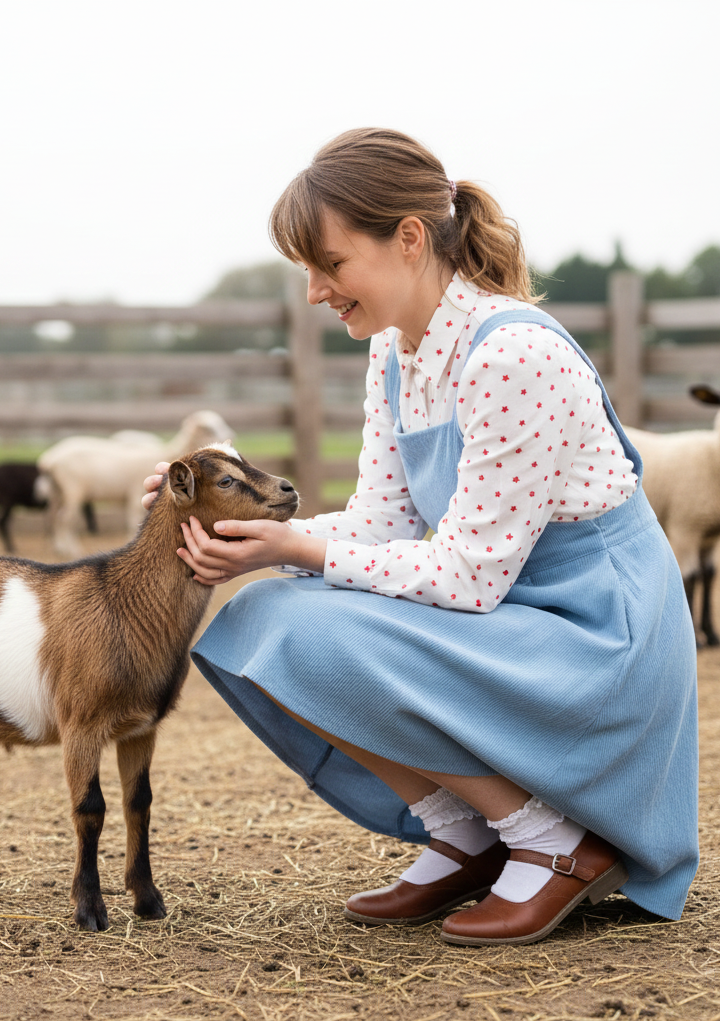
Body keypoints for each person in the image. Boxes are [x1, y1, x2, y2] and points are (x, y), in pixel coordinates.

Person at [143, 128, 698, 946]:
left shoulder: (513, 354)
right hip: (512, 615)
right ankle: (470, 832)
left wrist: (294, 549)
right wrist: (244, 531)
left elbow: (468, 576)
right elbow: (379, 527)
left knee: (313, 629)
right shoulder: (397, 354)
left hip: (594, 639)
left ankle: (556, 842)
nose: (314, 292)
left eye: (330, 264)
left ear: (408, 238)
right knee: (266, 619)